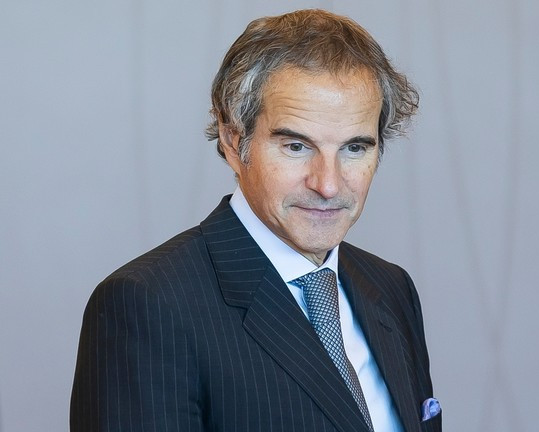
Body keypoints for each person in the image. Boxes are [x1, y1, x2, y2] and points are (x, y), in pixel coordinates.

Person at [70, 8, 440, 432]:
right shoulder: (148, 303)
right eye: (296, 146)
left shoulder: (390, 288)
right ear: (234, 142)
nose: (328, 184)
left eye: (354, 148)